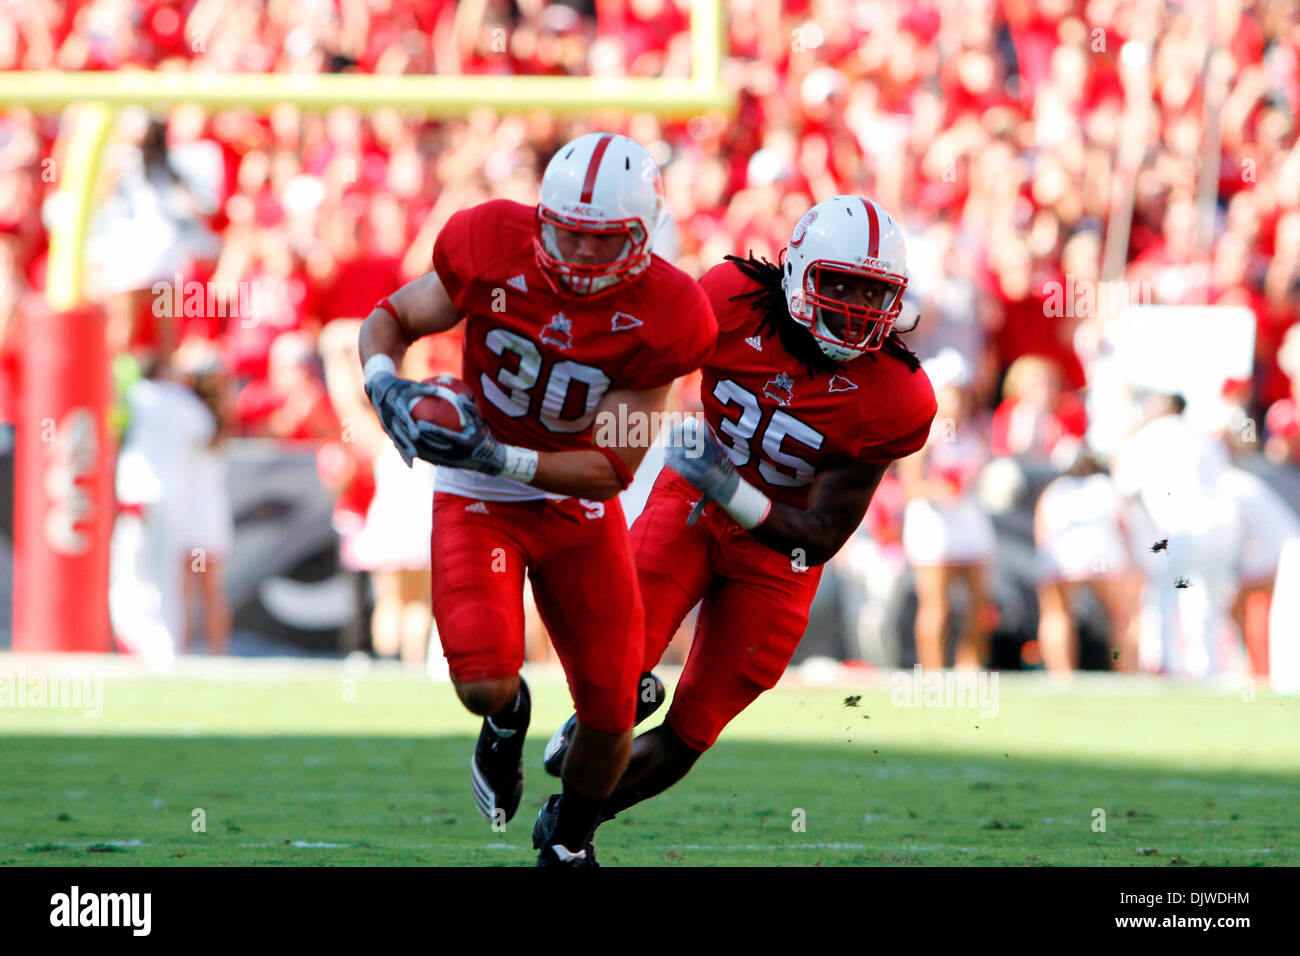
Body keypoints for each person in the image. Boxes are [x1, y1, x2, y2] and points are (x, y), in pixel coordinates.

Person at [357, 132, 717, 866]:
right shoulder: (491, 241)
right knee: (482, 681)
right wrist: (383, 385)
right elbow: (389, 320)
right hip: (477, 491)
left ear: (644, 241)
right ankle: (507, 719)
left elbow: (612, 467)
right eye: (566, 235)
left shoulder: (668, 315)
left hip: (571, 500)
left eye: (602, 241)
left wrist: (499, 451)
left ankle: (569, 842)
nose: (580, 256)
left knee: (613, 711)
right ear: (540, 217)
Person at [539, 195, 935, 856]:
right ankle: (594, 720)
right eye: (837, 282)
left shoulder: (898, 394)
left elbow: (822, 534)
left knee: (693, 727)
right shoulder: (728, 297)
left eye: (871, 290)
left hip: (780, 557)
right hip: (690, 511)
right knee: (620, 656)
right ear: (797, 270)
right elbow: (645, 362)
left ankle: (571, 831)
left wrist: (730, 485)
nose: (853, 305)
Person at [897, 348, 997, 669]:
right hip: (934, 526)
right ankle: (933, 670)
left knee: (979, 602)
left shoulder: (975, 433)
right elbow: (910, 487)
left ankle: (970, 667)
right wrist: (940, 490)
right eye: (950, 392)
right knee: (937, 604)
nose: (957, 400)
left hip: (968, 521)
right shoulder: (924, 435)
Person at [1034, 441, 1139, 674]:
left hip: (1062, 558)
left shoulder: (1053, 492)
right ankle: (1127, 672)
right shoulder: (1105, 488)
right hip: (1103, 556)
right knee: (1123, 618)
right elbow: (1123, 527)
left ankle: (1061, 675)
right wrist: (1131, 564)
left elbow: (1042, 534)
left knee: (1056, 614)